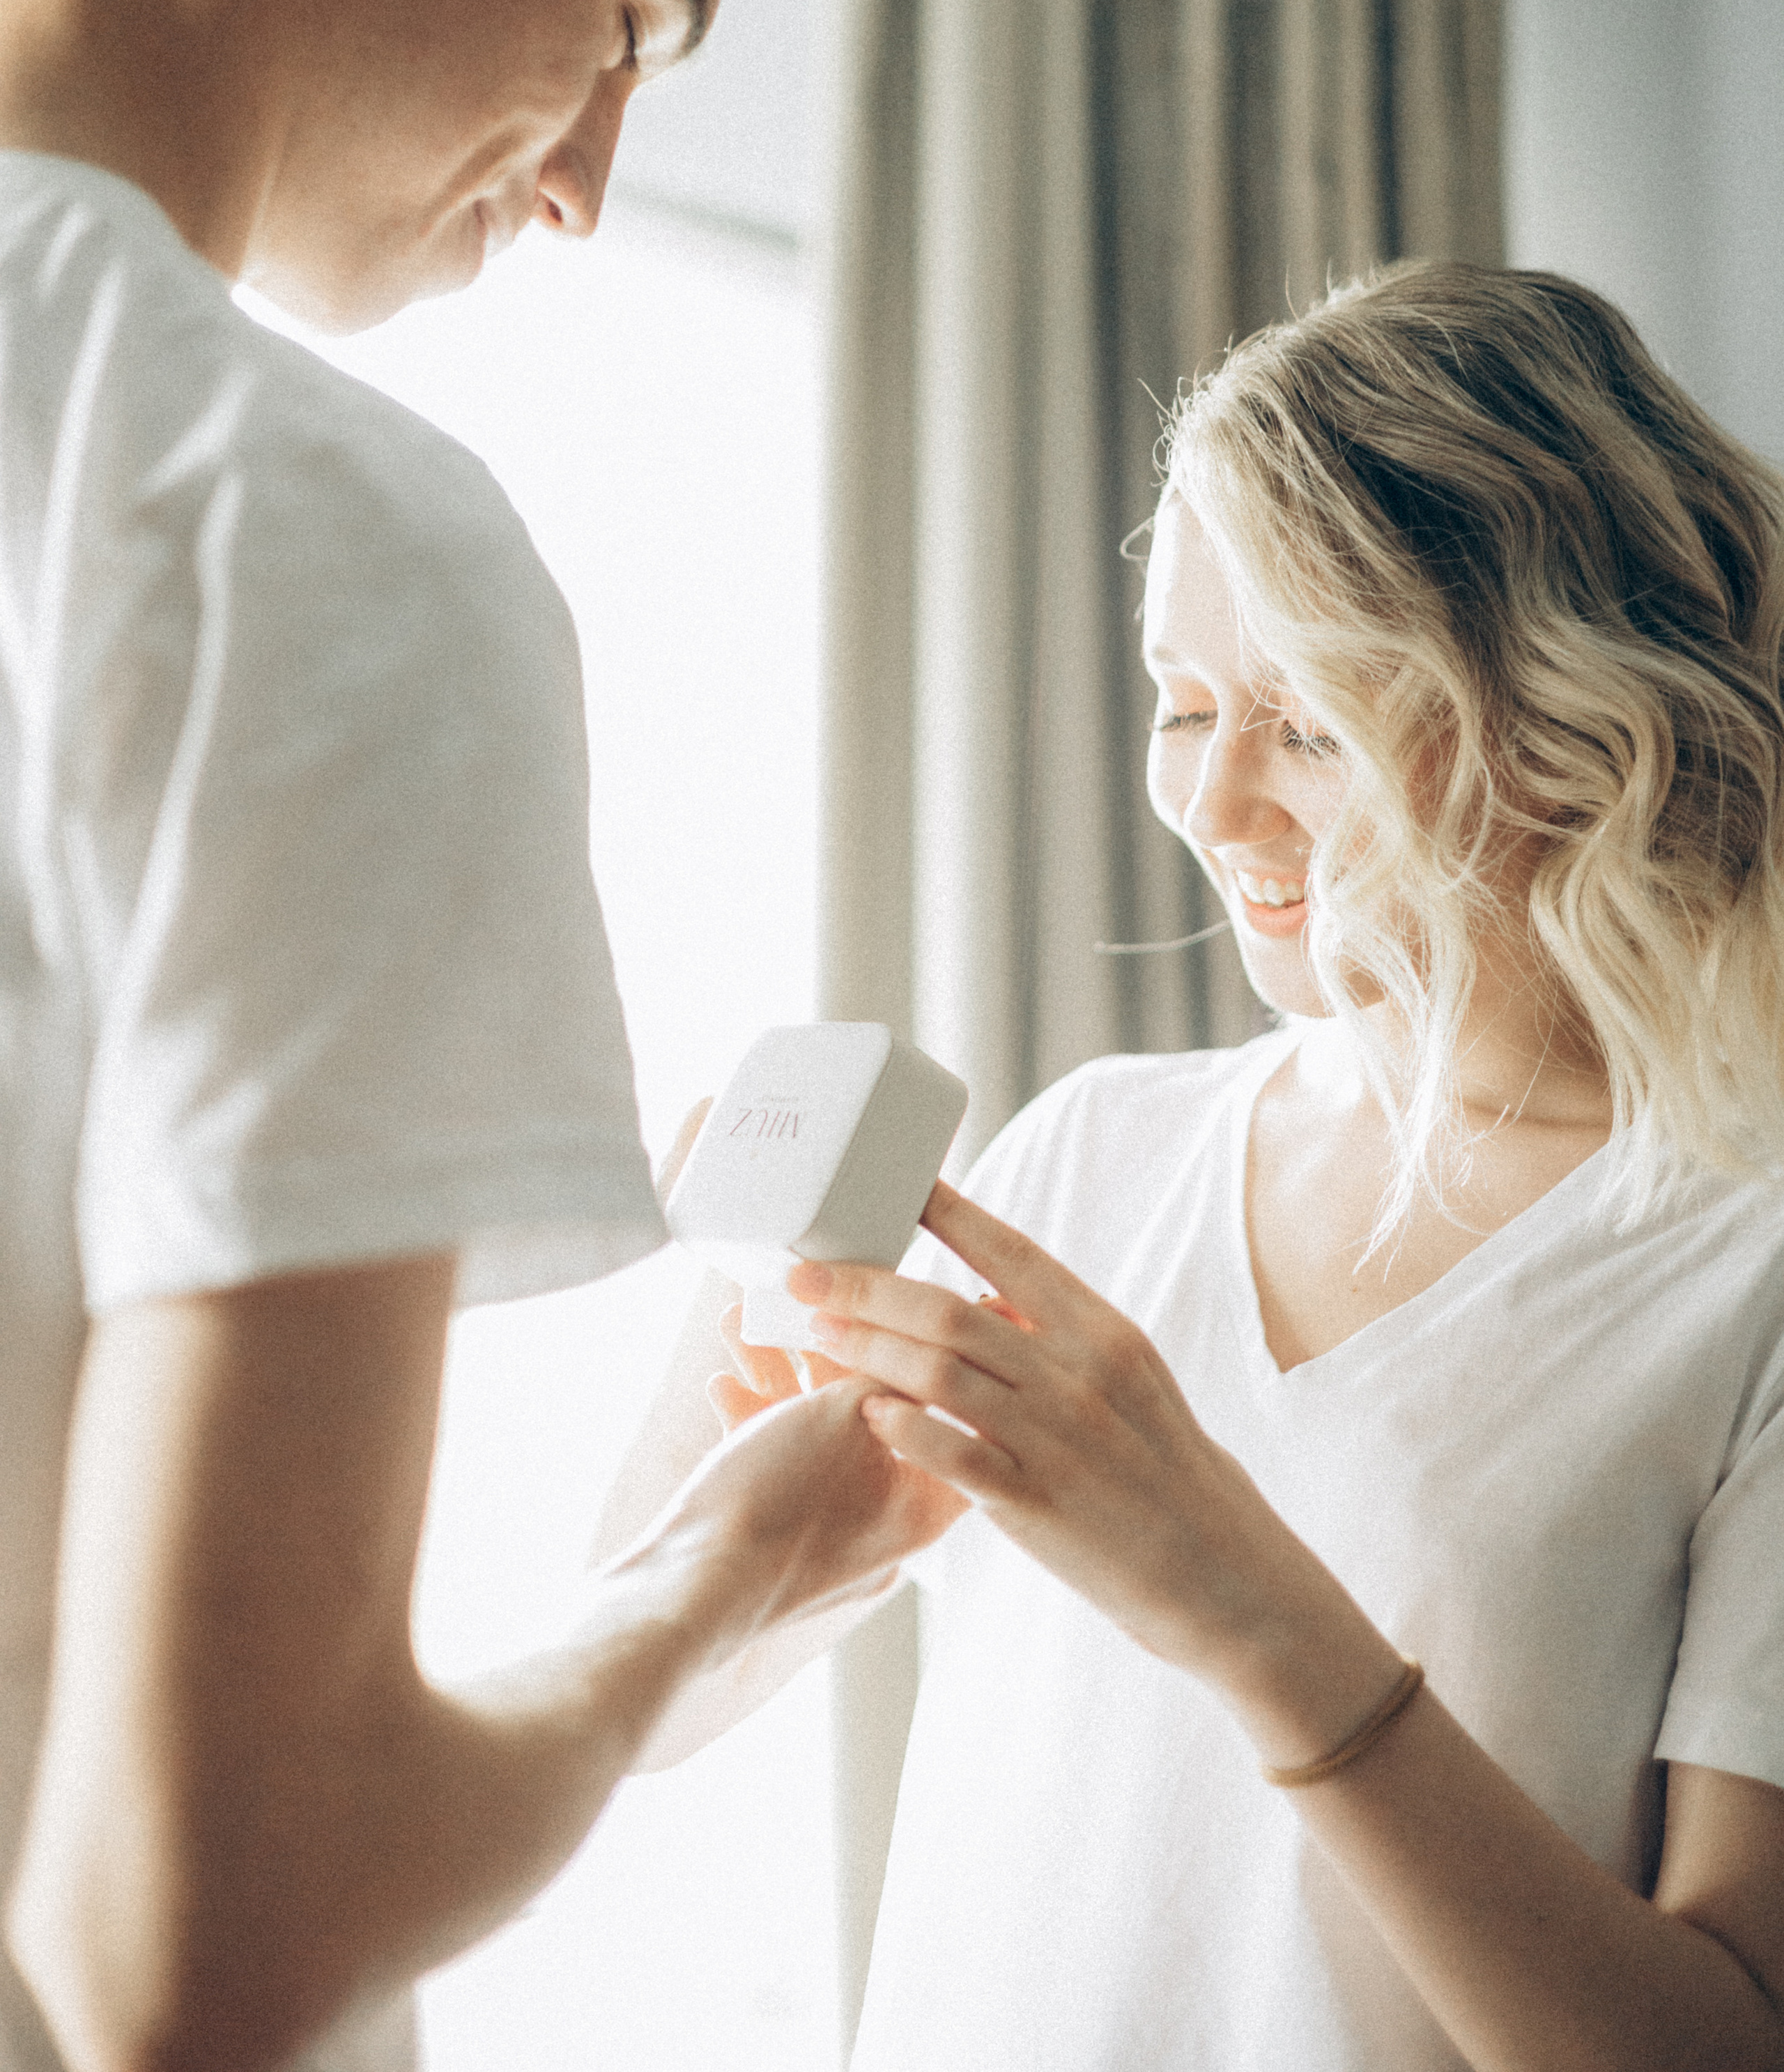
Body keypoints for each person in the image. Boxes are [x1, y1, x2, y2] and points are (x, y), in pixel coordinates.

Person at [0, 0, 951, 2069]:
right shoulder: (292, 526)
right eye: (637, 21)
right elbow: (195, 1940)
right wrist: (725, 1581)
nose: (587, 184)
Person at [613, 261, 1784, 2071]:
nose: (1213, 808)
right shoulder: (1091, 1152)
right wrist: (730, 1350)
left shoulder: (1743, 1272)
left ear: (1569, 717)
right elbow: (646, 1708)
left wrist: (1243, 1604)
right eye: (1181, 703)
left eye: (1308, 724)